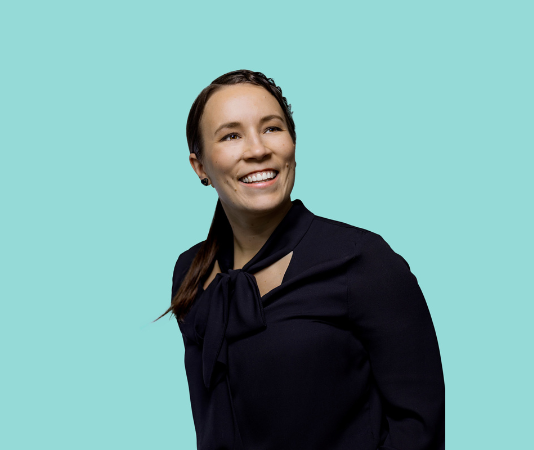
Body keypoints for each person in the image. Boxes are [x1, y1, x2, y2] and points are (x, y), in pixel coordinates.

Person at [159, 70, 444, 450]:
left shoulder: (363, 261)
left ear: (292, 142)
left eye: (272, 128)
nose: (257, 149)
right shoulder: (190, 272)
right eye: (231, 135)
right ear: (200, 167)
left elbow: (419, 428)